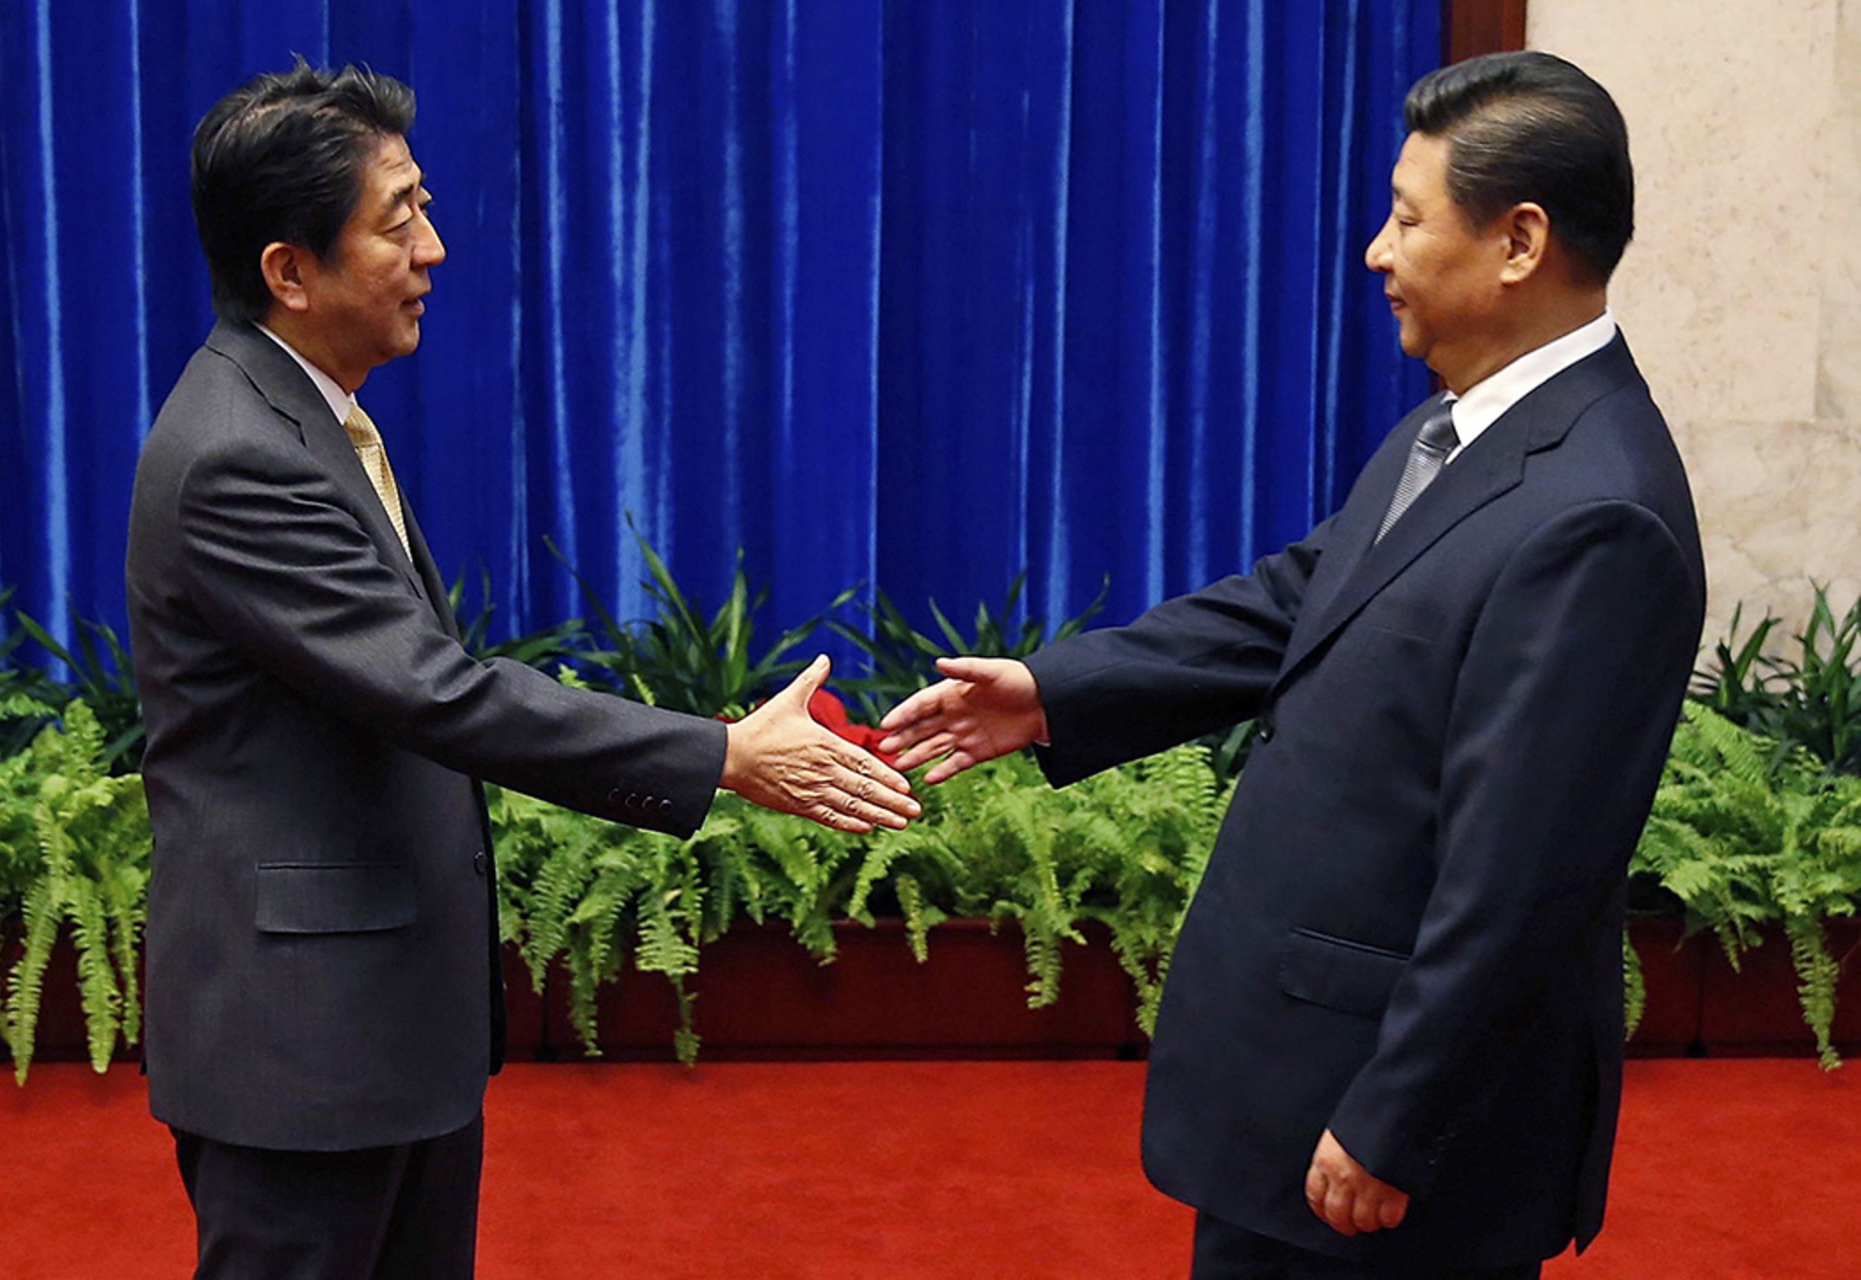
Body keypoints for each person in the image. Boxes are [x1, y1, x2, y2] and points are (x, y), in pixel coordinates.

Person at [880, 51, 1703, 1279]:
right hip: (1303, 1096)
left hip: (1391, 1145)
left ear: (1519, 242)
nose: (1377, 250)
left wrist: (1395, 1119)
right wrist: (1057, 692)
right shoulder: (1461, 420)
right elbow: (1300, 600)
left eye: (1408, 219)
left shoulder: (1600, 515)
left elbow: (1521, 875)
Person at [125, 61, 917, 1280]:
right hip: (305, 1052)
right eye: (399, 222)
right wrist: (722, 756)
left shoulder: (303, 413)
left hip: (382, 1029)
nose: (434, 247)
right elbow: (440, 690)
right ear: (289, 270)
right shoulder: (241, 455)